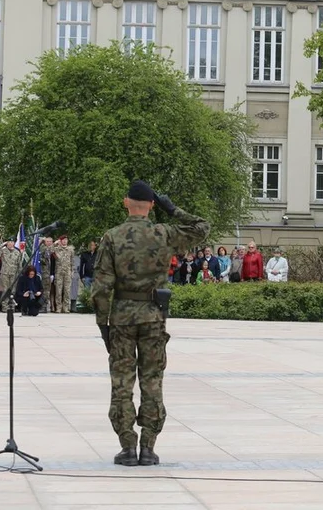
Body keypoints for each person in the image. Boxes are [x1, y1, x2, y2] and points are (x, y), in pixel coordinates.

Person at [91, 180, 209, 467]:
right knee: (152, 381)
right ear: (152, 205)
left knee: (122, 382)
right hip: (154, 317)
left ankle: (127, 446)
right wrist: (172, 209)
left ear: (125, 202)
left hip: (120, 319)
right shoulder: (164, 233)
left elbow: (101, 287)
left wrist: (103, 324)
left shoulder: (113, 236)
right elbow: (202, 227)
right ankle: (148, 447)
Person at [0, 238, 27, 312]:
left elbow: (19, 264)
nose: (10, 243)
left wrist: (20, 273)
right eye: (9, 242)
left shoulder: (17, 252)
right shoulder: (3, 251)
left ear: (14, 243)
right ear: (7, 243)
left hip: (14, 274)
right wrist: (1, 245)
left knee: (13, 290)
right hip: (5, 273)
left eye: (12, 242)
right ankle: (4, 306)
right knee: (5, 290)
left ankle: (11, 306)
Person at [53, 236, 76, 313]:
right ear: (60, 241)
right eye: (63, 240)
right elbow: (49, 251)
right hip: (59, 272)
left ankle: (66, 307)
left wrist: (72, 271)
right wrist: (55, 244)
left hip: (67, 272)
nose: (65, 241)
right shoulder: (56, 249)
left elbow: (72, 261)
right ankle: (58, 307)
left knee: (67, 291)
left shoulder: (70, 250)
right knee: (58, 291)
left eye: (66, 240)